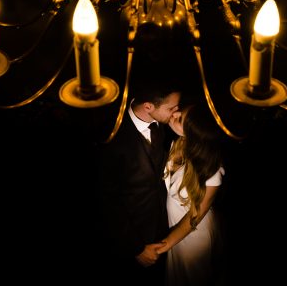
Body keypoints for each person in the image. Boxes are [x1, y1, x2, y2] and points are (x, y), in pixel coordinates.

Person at [95, 82, 182, 285]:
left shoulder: (165, 123)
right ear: (148, 106)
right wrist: (135, 248)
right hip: (130, 242)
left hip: (164, 231)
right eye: (171, 108)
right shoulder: (110, 135)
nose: (176, 112)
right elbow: (107, 201)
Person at [155, 103, 225, 286]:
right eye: (181, 111)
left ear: (194, 136)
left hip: (193, 237)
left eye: (180, 119)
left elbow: (196, 215)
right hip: (174, 230)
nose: (174, 114)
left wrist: (165, 244)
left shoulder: (212, 172)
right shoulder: (177, 143)